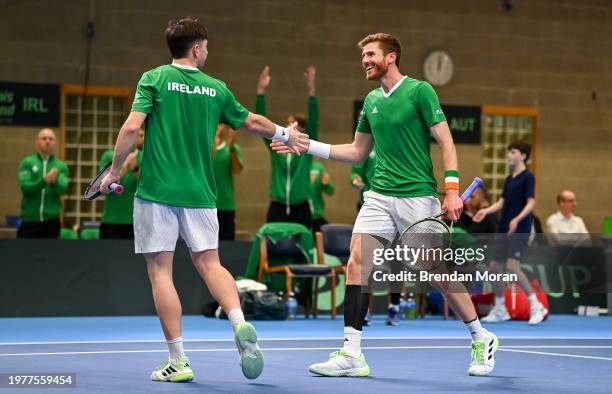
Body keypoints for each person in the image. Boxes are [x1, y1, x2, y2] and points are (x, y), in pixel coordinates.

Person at [273, 33, 498, 377]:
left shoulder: (420, 91)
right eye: (362, 55)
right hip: (379, 196)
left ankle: (481, 336)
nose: (364, 60)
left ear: (391, 57)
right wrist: (308, 146)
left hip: (418, 196)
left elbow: (446, 141)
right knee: (356, 263)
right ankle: (351, 353)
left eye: (370, 54)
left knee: (434, 271)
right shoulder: (371, 100)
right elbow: (356, 152)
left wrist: (451, 189)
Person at [99, 17, 307, 383]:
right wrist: (285, 133)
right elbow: (253, 122)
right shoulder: (216, 88)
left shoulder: (153, 78)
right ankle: (239, 322)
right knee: (210, 263)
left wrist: (114, 172)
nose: (207, 52)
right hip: (202, 195)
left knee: (161, 272)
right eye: (206, 47)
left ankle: (178, 360)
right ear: (196, 48)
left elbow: (132, 127)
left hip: (156, 193)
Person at [474, 141, 548, 325]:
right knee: (494, 267)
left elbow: (531, 203)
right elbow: (502, 202)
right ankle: (501, 309)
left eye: (512, 152)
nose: (509, 155)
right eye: (508, 152)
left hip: (520, 229)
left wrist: (517, 219)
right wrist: (486, 211)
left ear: (522, 156)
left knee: (512, 267)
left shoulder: (528, 177)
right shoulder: (509, 179)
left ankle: (535, 305)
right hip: (505, 229)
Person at [256, 65, 319, 229]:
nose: (288, 127)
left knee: (304, 250)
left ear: (302, 129)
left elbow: (314, 121)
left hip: (301, 208)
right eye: (287, 123)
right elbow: (261, 124)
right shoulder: (276, 146)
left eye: (293, 123)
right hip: (278, 206)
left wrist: (312, 90)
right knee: (271, 247)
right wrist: (261, 91)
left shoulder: (306, 148)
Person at [17, 128, 69, 238]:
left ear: (55, 142)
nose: (47, 141)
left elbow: (63, 189)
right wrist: (44, 181)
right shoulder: (27, 163)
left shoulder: (61, 166)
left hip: (52, 222)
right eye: (44, 138)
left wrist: (54, 182)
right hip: (30, 220)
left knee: (51, 254)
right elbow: (26, 188)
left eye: (51, 139)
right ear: (37, 142)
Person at [99, 128, 145, 239]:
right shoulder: (110, 156)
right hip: (111, 219)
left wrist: (135, 169)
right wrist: (124, 167)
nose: (141, 138)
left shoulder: (146, 156)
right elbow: (103, 186)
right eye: (137, 135)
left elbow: (149, 186)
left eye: (143, 135)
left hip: (137, 220)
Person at [213, 123, 244, 240]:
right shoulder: (203, 148)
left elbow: (237, 170)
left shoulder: (232, 148)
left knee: (226, 246)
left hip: (225, 206)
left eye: (220, 124)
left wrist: (231, 149)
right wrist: (215, 141)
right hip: (204, 205)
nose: (217, 127)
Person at [309, 160, 334, 232]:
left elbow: (331, 191)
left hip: (316, 216)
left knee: (328, 235)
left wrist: (326, 184)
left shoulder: (318, 168)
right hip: (298, 216)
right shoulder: (293, 167)